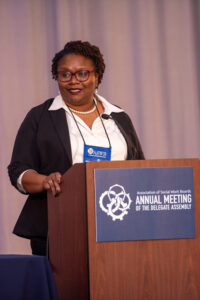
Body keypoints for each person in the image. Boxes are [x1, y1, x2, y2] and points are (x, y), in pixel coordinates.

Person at [8, 40, 144, 256]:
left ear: (97, 76)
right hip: (58, 227)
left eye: (82, 73)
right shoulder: (40, 117)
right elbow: (18, 171)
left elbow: (139, 169)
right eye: (65, 74)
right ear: (57, 77)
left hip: (117, 226)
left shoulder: (118, 117)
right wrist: (45, 181)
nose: (73, 81)